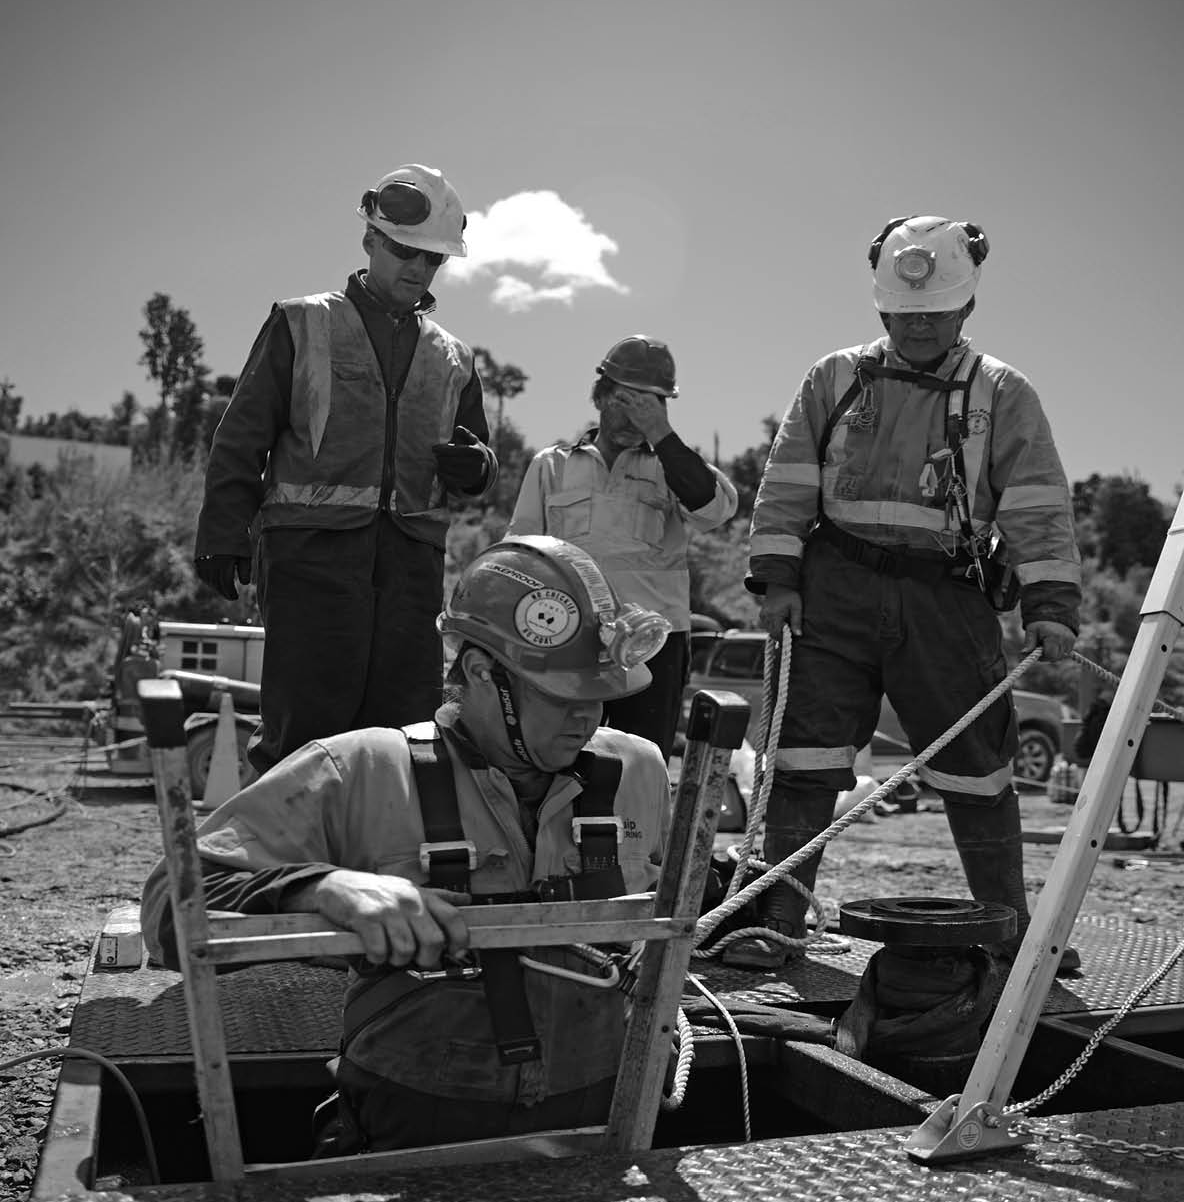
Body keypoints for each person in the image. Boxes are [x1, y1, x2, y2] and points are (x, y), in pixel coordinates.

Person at [141, 536, 674, 1153]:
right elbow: (170, 909)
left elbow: (673, 899)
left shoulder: (638, 771)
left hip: (598, 1125)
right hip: (409, 1128)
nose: (587, 716)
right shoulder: (360, 769)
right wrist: (323, 888)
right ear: (479, 672)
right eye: (561, 695)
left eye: (598, 692)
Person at [722, 215, 1082, 974]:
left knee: (976, 769)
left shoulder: (1000, 393)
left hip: (945, 598)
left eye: (935, 312)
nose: (918, 325)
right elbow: (785, 482)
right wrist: (777, 580)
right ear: (880, 307)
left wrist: (1048, 605)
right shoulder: (832, 378)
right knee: (803, 760)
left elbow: (1036, 504)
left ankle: (1008, 936)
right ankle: (778, 923)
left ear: (967, 308)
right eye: (904, 312)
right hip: (832, 592)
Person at [193, 164, 497, 775]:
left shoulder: (454, 357)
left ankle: (378, 864)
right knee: (305, 723)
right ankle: (286, 864)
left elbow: (481, 464)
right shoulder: (303, 321)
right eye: (404, 251)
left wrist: (476, 468)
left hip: (411, 564)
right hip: (311, 556)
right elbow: (242, 437)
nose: (417, 268)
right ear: (369, 240)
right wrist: (223, 531)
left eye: (432, 260)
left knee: (401, 730)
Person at [506, 337, 738, 758]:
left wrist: (662, 435)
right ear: (600, 396)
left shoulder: (672, 465)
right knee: (559, 757)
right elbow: (521, 553)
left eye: (651, 404)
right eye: (626, 400)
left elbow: (715, 510)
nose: (636, 415)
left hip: (654, 646)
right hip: (569, 637)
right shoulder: (552, 465)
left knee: (641, 758)